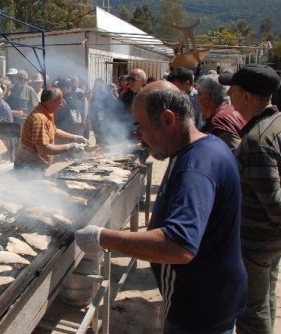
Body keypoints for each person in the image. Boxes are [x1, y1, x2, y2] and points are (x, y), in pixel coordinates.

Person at [75, 80, 247, 334]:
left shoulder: (195, 168)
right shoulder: (206, 146)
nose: (138, 136)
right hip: (212, 293)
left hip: (199, 306)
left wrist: (102, 237)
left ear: (168, 120)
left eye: (140, 126)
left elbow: (178, 246)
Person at [219, 64, 281, 334]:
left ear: (246, 96)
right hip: (272, 240)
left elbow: (275, 202)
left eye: (232, 90)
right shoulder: (276, 123)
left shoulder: (257, 141)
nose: (228, 96)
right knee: (266, 298)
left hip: (257, 239)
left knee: (250, 310)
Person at [14, 87, 88, 173]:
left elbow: (54, 131)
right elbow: (43, 149)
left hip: (36, 167)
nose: (61, 105)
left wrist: (75, 137)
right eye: (59, 102)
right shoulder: (39, 119)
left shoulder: (47, 113)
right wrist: (69, 147)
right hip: (27, 169)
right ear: (50, 102)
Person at [195, 74, 246, 150]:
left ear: (206, 97)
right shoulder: (230, 109)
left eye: (198, 93)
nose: (196, 97)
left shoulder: (220, 121)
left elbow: (235, 156)